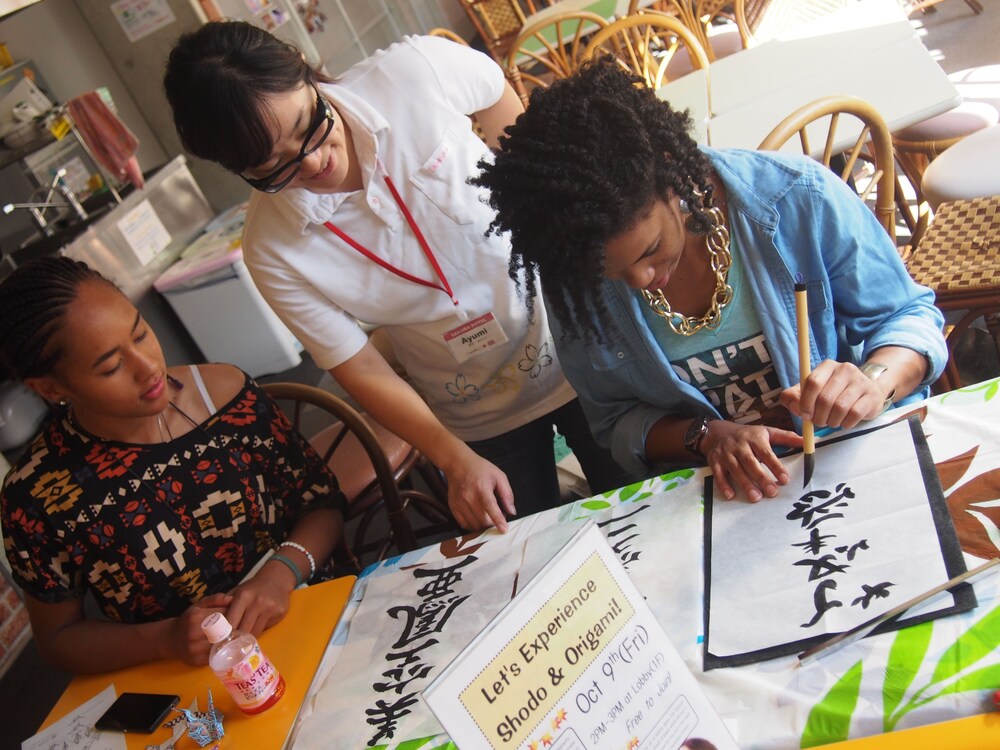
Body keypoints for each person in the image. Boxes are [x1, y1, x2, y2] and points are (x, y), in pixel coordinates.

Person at [163, 23, 634, 532]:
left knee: (646, 501)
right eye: (275, 167)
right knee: (533, 551)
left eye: (309, 126)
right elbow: (360, 366)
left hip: (580, 343)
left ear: (304, 70)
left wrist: (531, 189)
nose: (316, 161)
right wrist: (454, 460)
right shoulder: (272, 250)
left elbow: (495, 91)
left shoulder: (412, 73)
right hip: (476, 409)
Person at [472, 59, 948, 504]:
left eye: (650, 249)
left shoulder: (796, 197)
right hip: (729, 502)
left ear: (671, 176)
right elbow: (615, 419)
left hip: (859, 460)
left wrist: (874, 380)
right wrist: (704, 436)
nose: (639, 280)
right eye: (611, 273)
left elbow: (908, 317)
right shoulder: (572, 277)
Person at [0, 257, 348, 673]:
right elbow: (58, 641)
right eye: (112, 366)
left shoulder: (225, 396)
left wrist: (281, 572)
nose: (149, 367)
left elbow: (322, 503)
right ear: (51, 388)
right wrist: (164, 639)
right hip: (189, 674)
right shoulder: (37, 496)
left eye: (141, 334)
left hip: (315, 613)